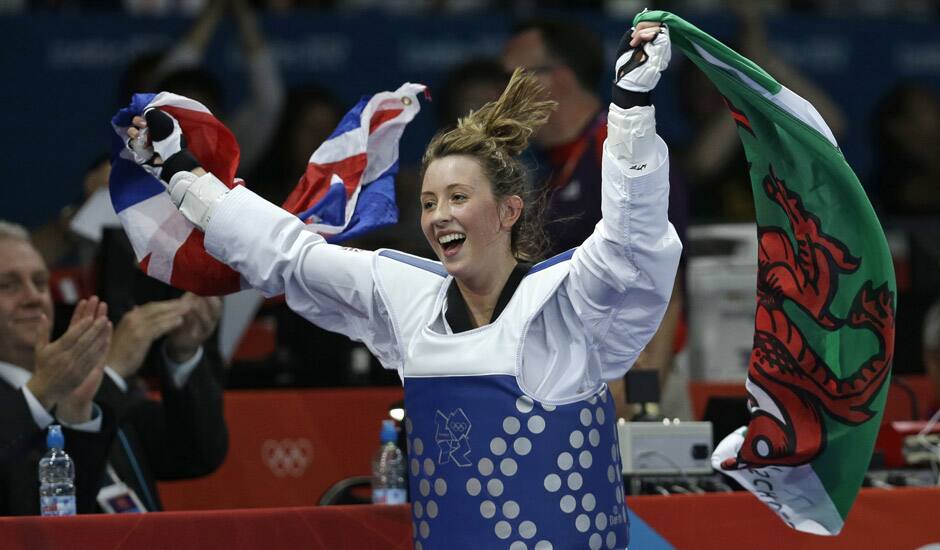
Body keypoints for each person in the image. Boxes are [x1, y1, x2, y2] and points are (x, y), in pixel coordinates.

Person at [127, 19, 678, 548]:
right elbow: (289, 255)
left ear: (510, 211)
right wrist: (181, 172)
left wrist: (631, 108)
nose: (440, 216)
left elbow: (633, 241)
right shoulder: (406, 294)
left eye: (459, 198)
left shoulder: (566, 301)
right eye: (429, 202)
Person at [0, 221, 228, 514]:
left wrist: (182, 354)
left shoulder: (86, 377)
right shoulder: (98, 377)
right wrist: (112, 371)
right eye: (8, 285)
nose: (33, 297)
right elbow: (28, 501)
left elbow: (194, 454)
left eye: (41, 282)